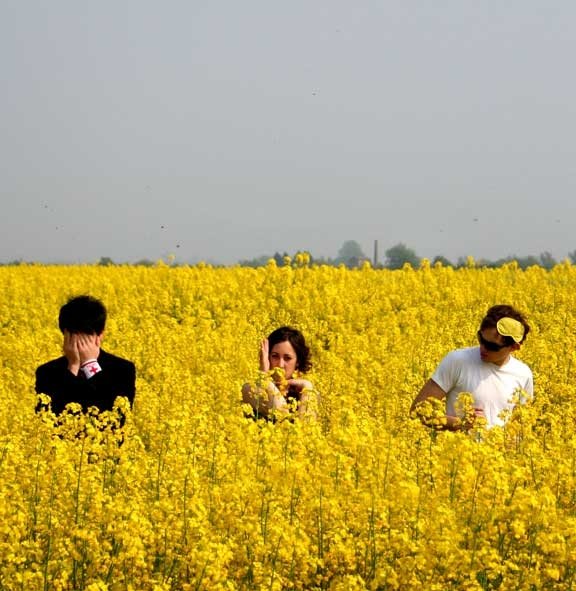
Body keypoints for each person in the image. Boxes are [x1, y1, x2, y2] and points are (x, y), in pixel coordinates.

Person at [411, 304, 533, 430]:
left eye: (492, 346)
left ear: (514, 347)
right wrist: (461, 424)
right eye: (481, 339)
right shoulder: (458, 361)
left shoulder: (523, 375)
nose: (483, 348)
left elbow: (521, 428)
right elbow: (417, 411)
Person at [36, 295, 136, 420]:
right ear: (64, 335)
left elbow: (118, 418)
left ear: (100, 335)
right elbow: (48, 418)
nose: (80, 344)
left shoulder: (123, 370)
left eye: (86, 335)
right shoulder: (46, 372)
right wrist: (72, 367)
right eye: (73, 335)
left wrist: (90, 365)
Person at [242, 326, 316, 420]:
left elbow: (307, 427)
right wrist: (264, 377)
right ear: (267, 357)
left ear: (298, 362)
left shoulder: (305, 391)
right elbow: (282, 415)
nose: (280, 365)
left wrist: (307, 387)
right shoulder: (250, 389)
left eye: (287, 358)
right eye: (275, 356)